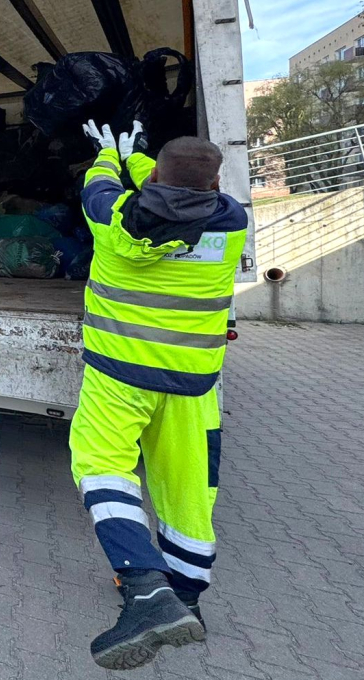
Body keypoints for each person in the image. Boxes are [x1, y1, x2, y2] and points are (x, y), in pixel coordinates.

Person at [71, 122, 248, 670]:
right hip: (193, 383)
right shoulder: (231, 221)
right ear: (215, 183)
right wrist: (141, 157)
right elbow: (179, 188)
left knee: (101, 466)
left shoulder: (112, 215)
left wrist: (110, 154)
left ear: (153, 182)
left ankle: (147, 590)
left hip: (118, 376)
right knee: (187, 490)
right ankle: (186, 600)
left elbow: (97, 185)